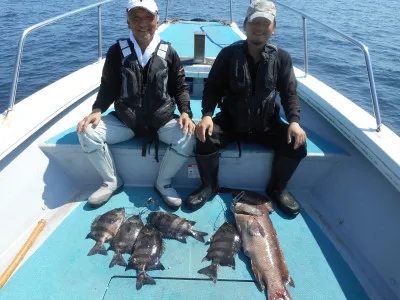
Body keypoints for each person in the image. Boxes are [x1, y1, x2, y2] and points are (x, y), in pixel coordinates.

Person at [186, 0, 307, 217]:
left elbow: (289, 93)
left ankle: (277, 188)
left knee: (297, 144)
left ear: (274, 27)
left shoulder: (282, 58)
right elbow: (212, 88)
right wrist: (206, 116)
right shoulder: (228, 55)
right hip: (232, 121)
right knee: (204, 137)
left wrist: (294, 122)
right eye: (255, 22)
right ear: (245, 24)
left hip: (266, 124)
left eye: (265, 23)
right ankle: (209, 186)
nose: (259, 28)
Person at [77, 0, 195, 209]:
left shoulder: (168, 52)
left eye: (149, 18)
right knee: (86, 131)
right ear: (128, 22)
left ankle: (163, 181)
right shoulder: (117, 51)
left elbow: (180, 87)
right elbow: (108, 86)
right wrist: (97, 110)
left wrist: (185, 111)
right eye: (136, 18)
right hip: (126, 122)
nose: (143, 24)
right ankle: (111, 180)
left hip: (162, 122)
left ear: (157, 20)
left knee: (189, 135)